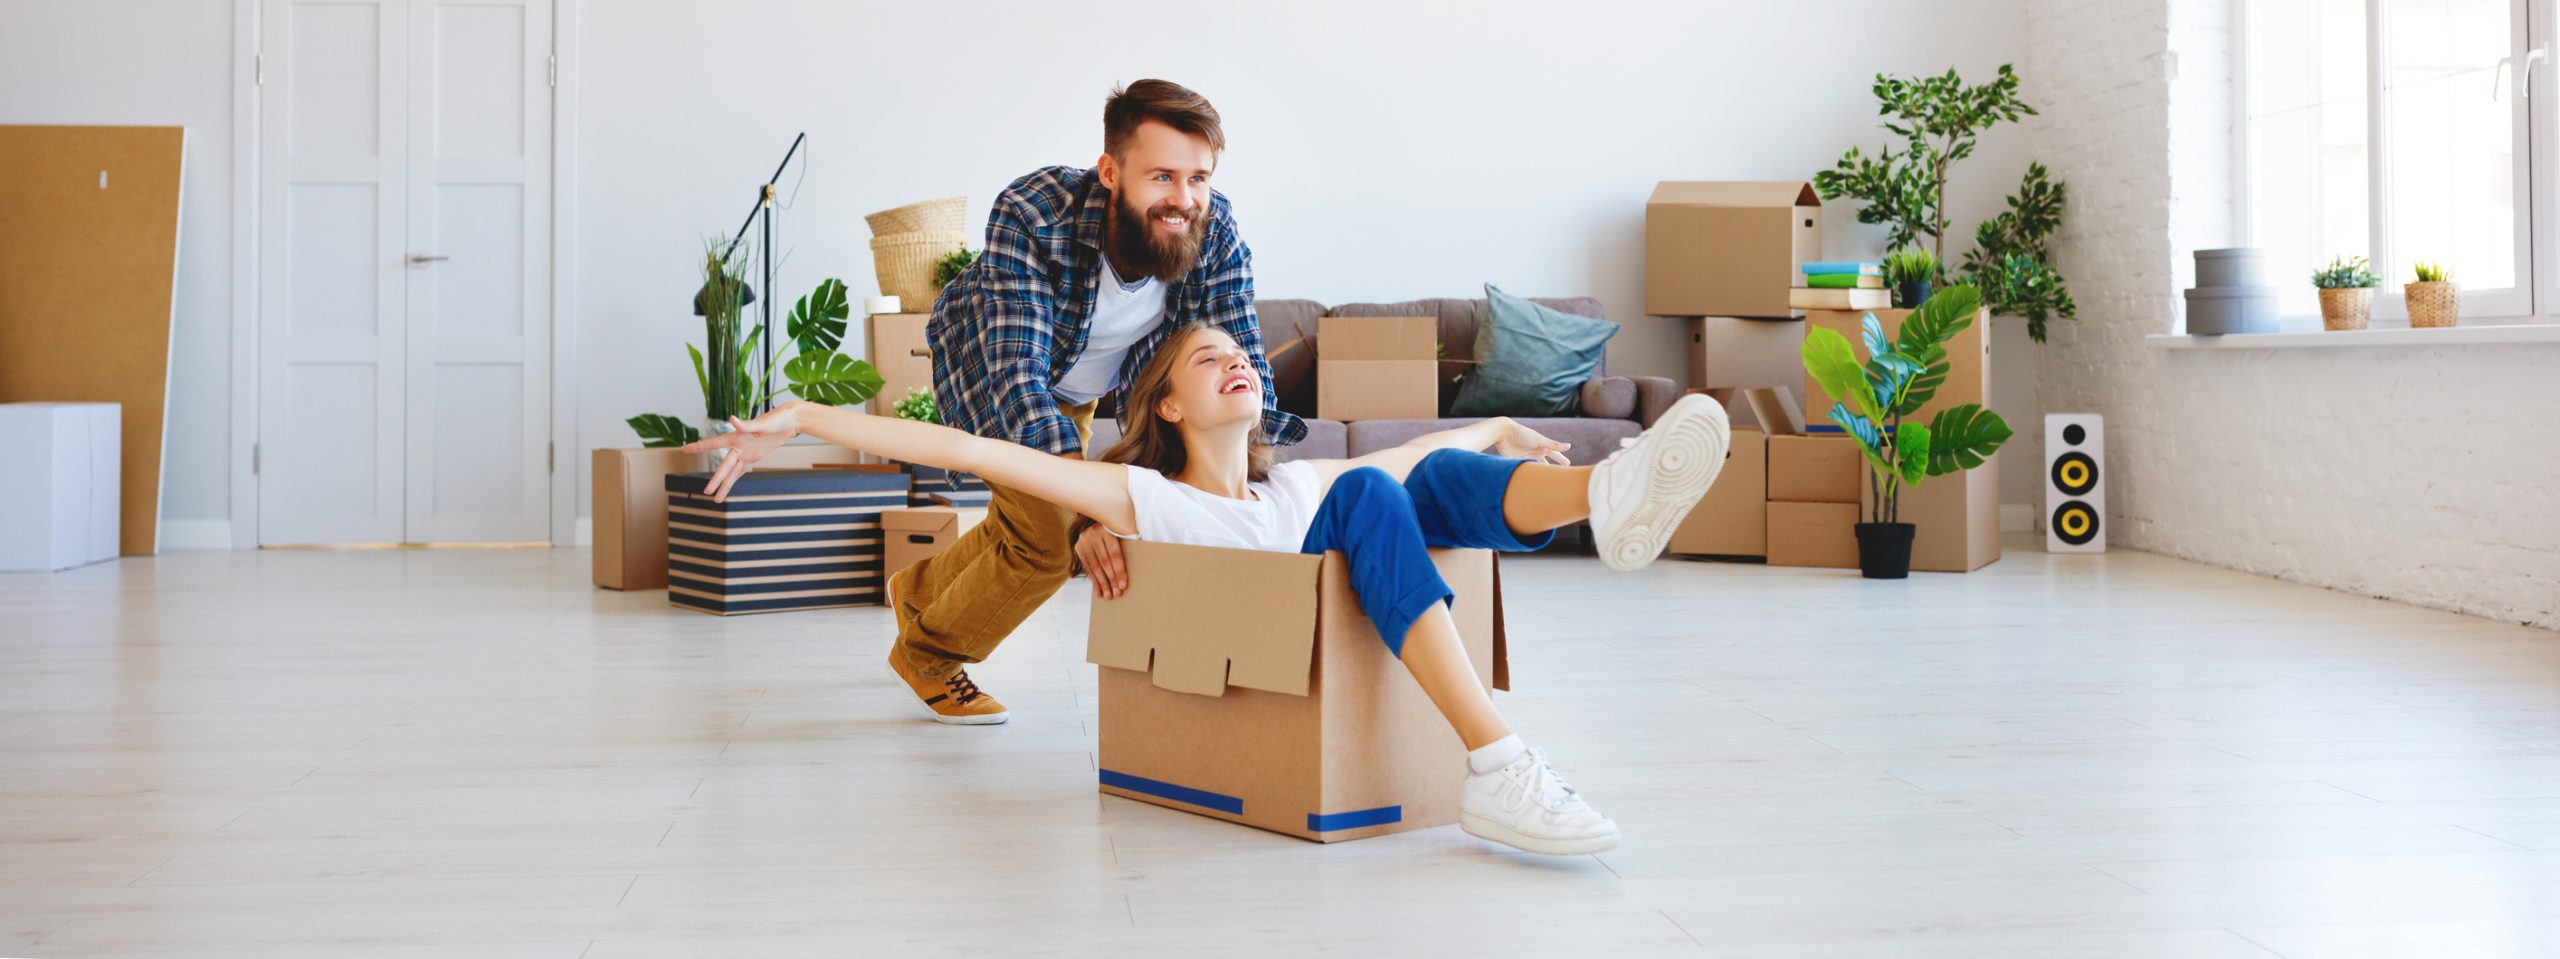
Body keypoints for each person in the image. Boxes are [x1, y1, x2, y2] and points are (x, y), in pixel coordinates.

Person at [684, 322, 1734, 856]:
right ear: (1169, 405)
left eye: (1239, 350)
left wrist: (1499, 427)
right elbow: (966, 444)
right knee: (1382, 486)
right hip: (1281, 626)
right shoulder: (1142, 496)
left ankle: (1606, 492)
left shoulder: (1311, 481)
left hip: (1346, 530)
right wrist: (807, 417)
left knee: (1431, 477)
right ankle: (1499, 763)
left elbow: (1431, 455)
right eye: (1206, 358)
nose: (1234, 359)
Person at [851, 78, 1296, 725]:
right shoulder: (1036, 212)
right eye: (1163, 177)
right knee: (1052, 540)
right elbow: (1016, 376)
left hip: (1084, 386)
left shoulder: (1212, 225)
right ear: (1111, 171)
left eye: (1198, 177)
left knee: (1027, 521)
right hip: (994, 373)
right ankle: (928, 652)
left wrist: (1267, 479)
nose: (1185, 199)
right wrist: (1090, 515)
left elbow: (1241, 345)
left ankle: (919, 592)